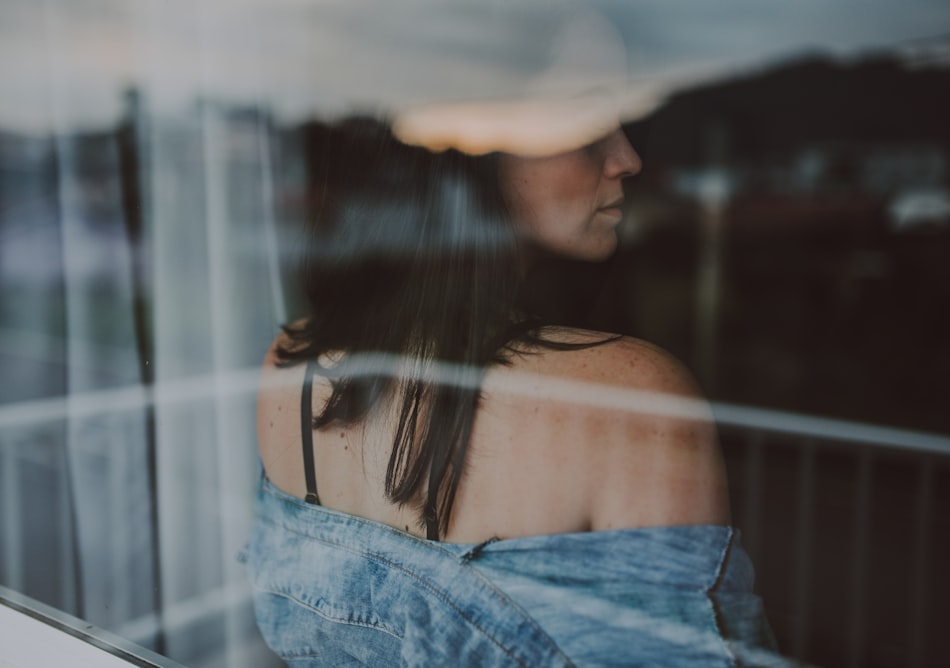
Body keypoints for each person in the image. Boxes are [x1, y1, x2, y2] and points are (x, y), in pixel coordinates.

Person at [242, 115, 783, 666]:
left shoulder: (294, 361)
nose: (627, 158)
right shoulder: (629, 396)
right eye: (588, 123)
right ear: (467, 153)